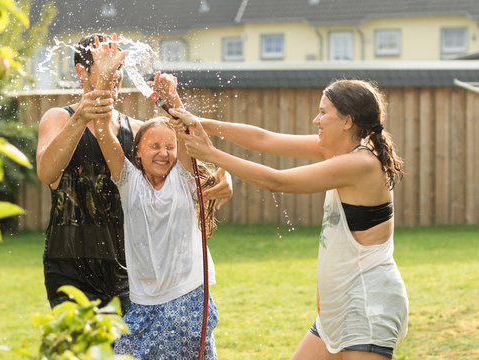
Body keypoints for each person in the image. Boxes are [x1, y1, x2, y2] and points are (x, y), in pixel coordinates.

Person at [169, 79, 409, 360]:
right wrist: (199, 123)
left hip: (368, 305)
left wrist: (211, 154)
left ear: (347, 121)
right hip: (339, 308)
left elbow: (276, 181)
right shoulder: (341, 152)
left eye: (323, 112)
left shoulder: (361, 164)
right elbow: (264, 140)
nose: (315, 119)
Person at [35, 33, 232, 313]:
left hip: (129, 270)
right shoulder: (60, 119)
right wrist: (80, 118)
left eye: (117, 67)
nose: (114, 75)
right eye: (105, 66)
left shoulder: (139, 132)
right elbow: (46, 172)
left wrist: (223, 178)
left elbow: (189, 174)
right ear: (81, 71)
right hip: (68, 269)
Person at [87, 37, 219, 359]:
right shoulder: (128, 182)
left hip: (186, 298)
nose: (163, 153)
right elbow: (102, 127)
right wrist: (104, 78)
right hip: (143, 302)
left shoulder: (183, 179)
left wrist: (172, 99)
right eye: (154, 146)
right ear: (138, 152)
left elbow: (186, 133)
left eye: (169, 146)